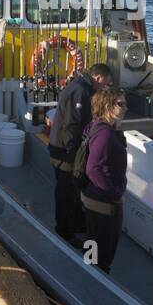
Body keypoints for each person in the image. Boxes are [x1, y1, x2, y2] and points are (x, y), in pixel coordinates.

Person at [48, 63, 112, 246]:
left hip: (66, 148)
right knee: (65, 192)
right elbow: (71, 125)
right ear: (98, 78)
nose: (104, 87)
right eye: (104, 84)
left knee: (74, 188)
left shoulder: (82, 86)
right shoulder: (81, 92)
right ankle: (65, 231)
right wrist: (74, 154)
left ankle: (77, 223)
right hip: (65, 152)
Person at [80, 87, 129, 273]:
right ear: (108, 106)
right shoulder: (105, 134)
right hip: (103, 203)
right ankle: (95, 280)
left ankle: (88, 274)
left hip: (94, 199)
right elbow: (93, 168)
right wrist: (113, 192)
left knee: (92, 243)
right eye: (120, 104)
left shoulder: (97, 125)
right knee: (103, 250)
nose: (125, 107)